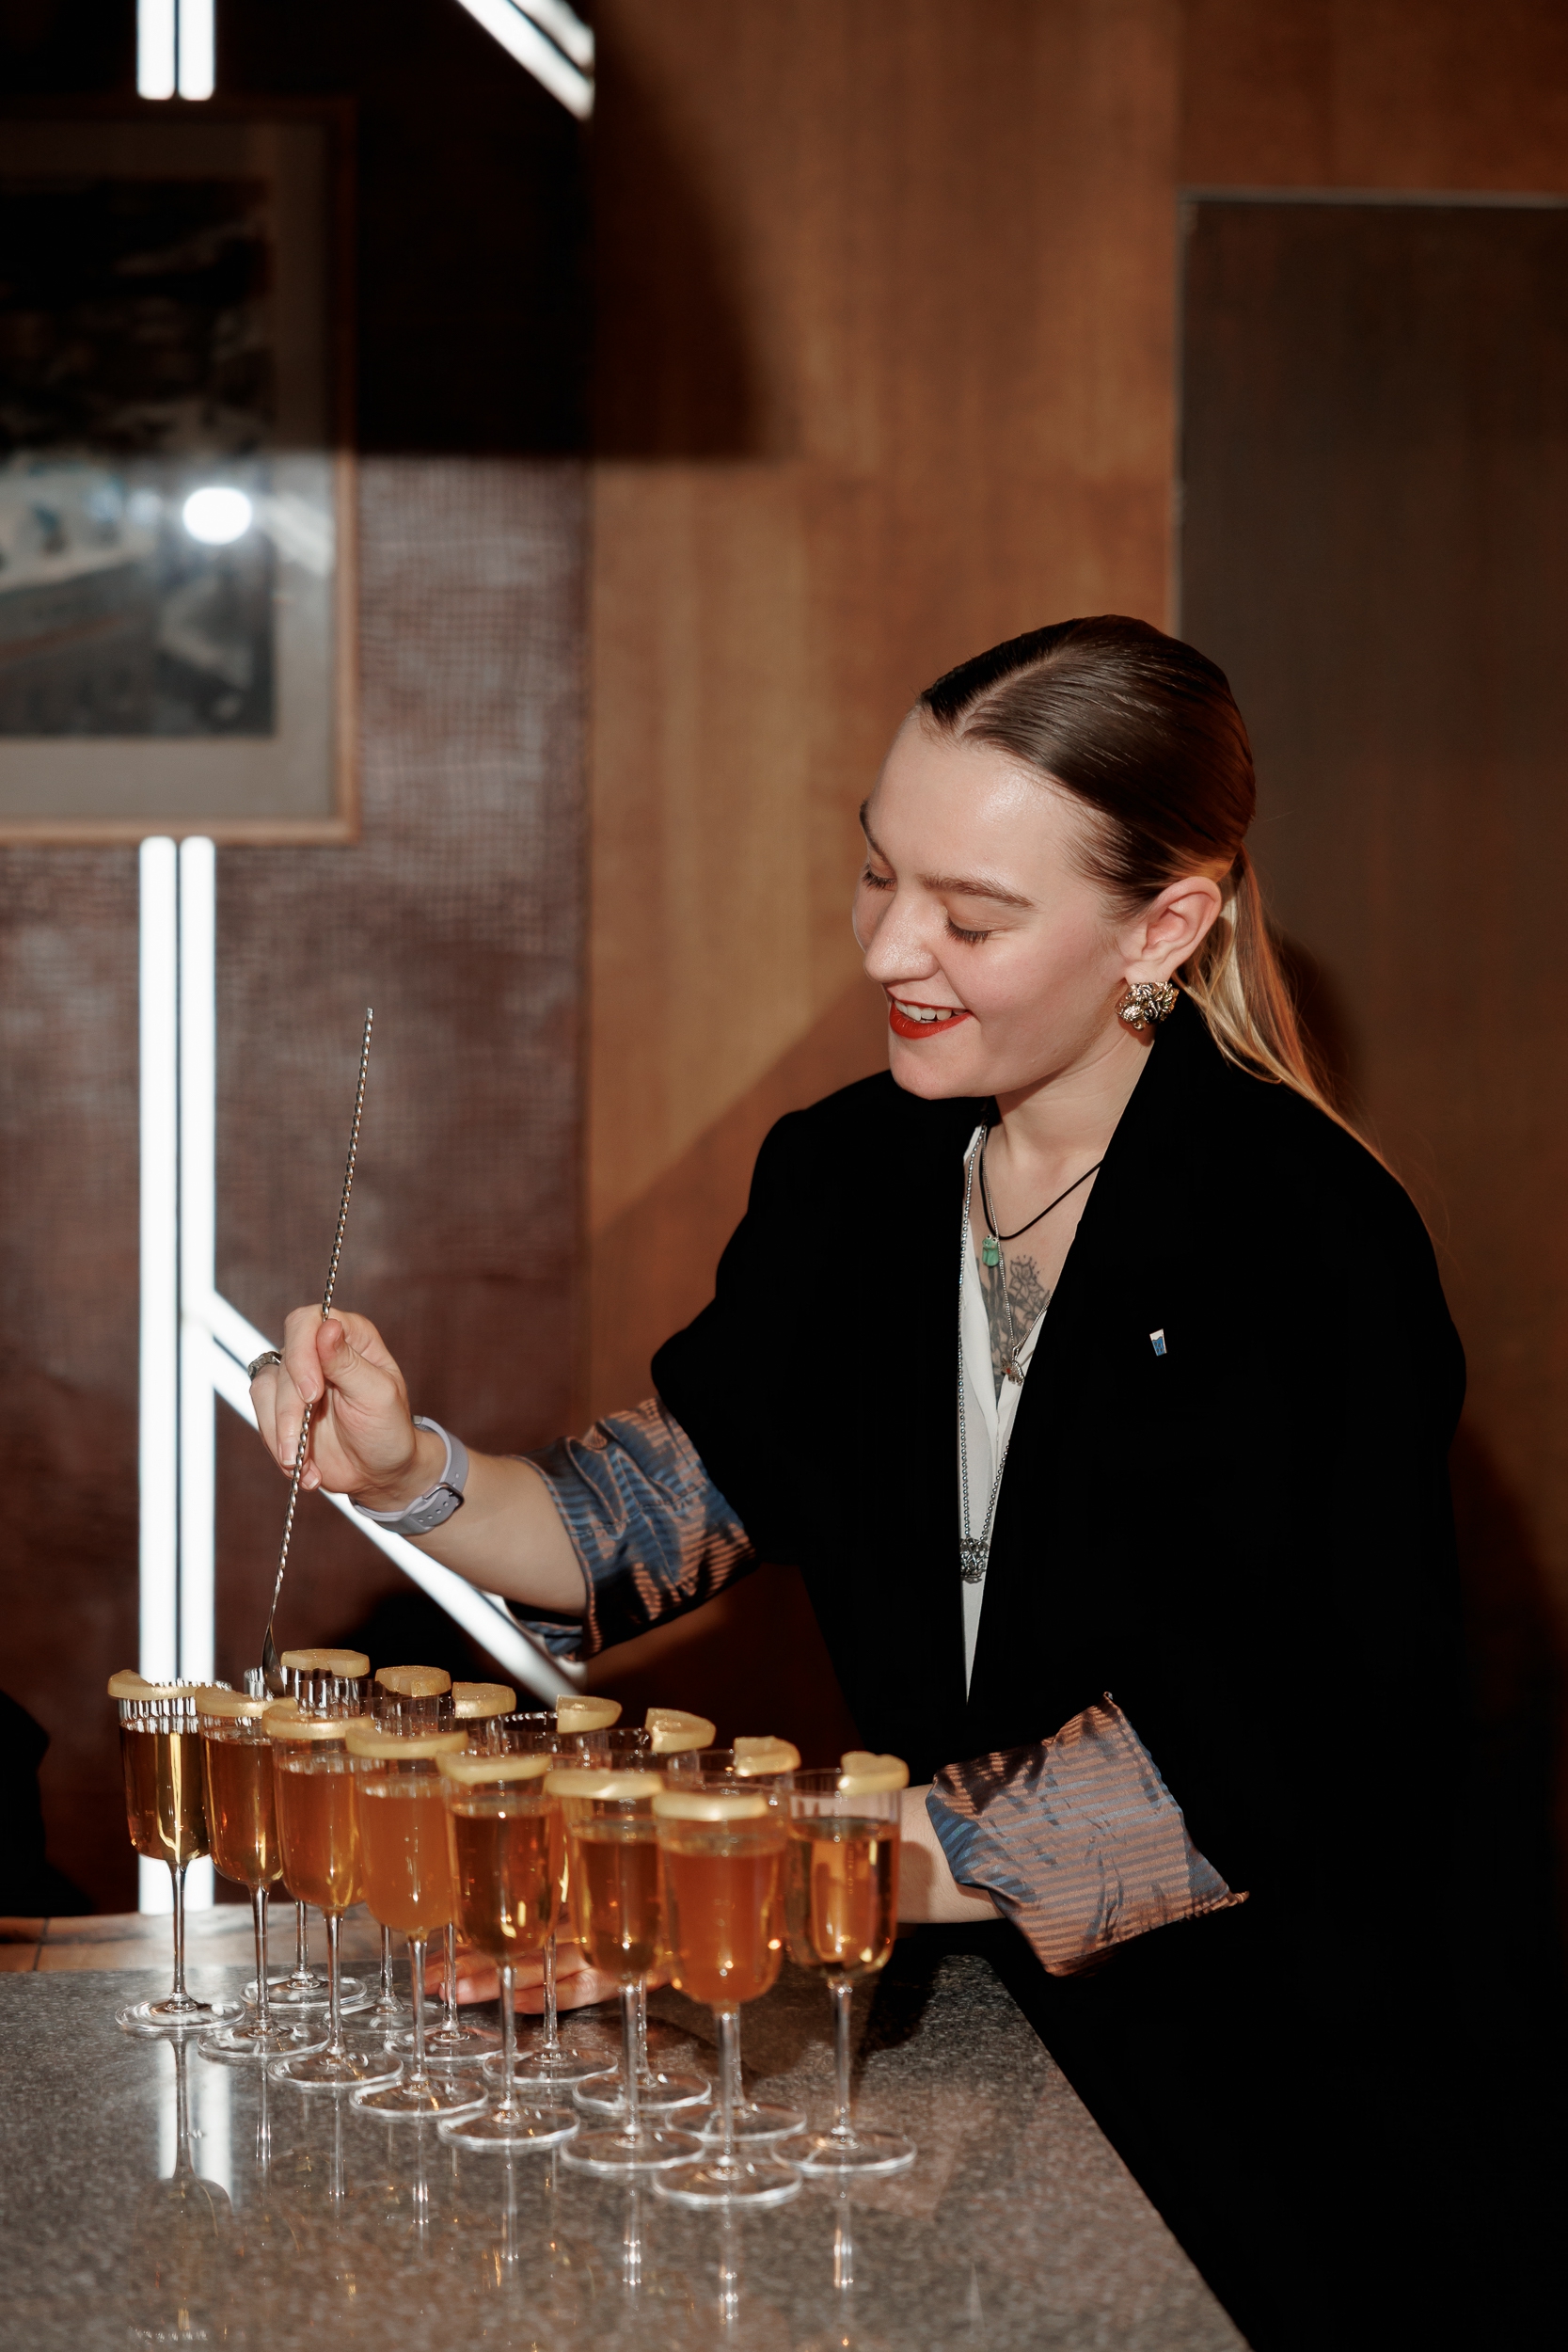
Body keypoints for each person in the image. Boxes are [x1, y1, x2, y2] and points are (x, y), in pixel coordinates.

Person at [251, 617, 1470, 2350]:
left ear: (1165, 926)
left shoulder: (1312, 1239)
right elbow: (648, 1515)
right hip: (948, 2060)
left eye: (973, 917)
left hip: (1270, 2099)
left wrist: (768, 1865)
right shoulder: (848, 1174)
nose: (894, 947)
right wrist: (411, 1469)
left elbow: (1258, 1748)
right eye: (879, 873)